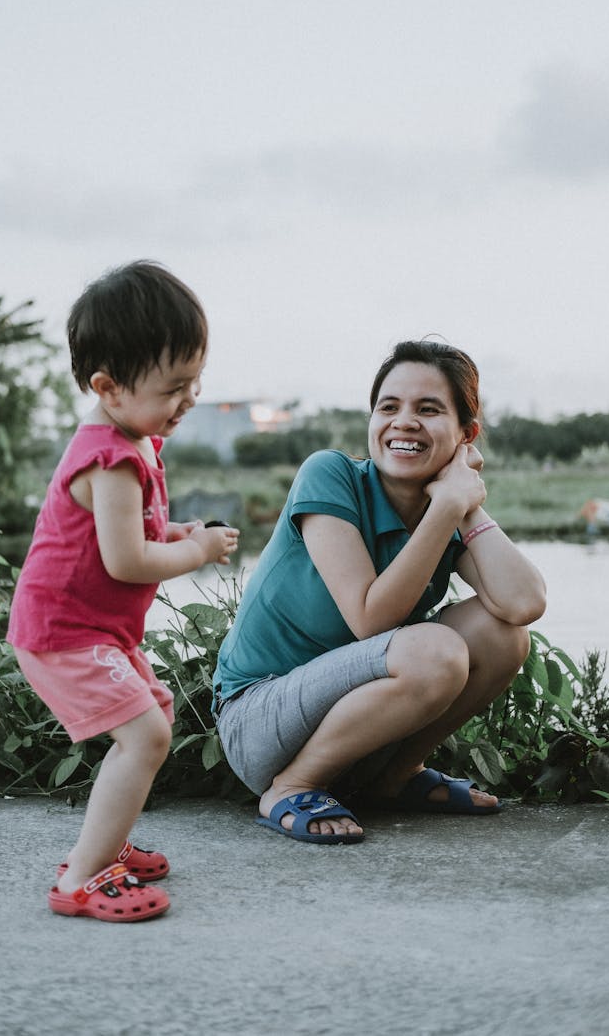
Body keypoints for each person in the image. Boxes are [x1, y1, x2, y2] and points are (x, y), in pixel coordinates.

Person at [212, 339, 546, 843]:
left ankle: (396, 778)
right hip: (259, 720)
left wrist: (465, 504)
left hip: (353, 727)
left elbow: (523, 604)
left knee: (504, 636)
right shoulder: (330, 474)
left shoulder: (444, 512)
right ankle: (291, 787)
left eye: (429, 410)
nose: (404, 422)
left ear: (466, 435)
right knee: (435, 652)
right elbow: (370, 620)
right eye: (388, 407)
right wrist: (446, 509)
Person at [7, 261, 239, 919]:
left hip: (88, 629)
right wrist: (193, 550)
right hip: (63, 633)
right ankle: (81, 878)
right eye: (174, 386)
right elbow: (127, 559)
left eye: (194, 380)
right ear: (108, 387)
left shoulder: (129, 440)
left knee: (153, 717)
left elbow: (132, 529)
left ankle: (106, 840)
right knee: (145, 733)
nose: (189, 398)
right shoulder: (112, 458)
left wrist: (175, 527)